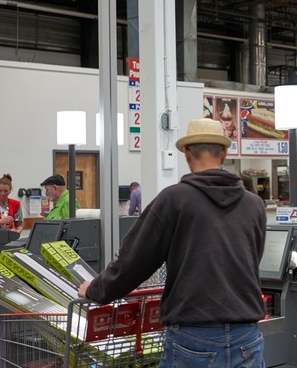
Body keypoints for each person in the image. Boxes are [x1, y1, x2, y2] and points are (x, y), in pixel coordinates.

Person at [78, 118, 267, 367]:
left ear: (187, 154)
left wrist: (95, 290)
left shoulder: (173, 200)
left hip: (193, 338)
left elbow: (133, 262)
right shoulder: (254, 205)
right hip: (248, 337)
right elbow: (253, 258)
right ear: (224, 153)